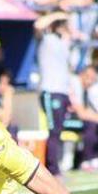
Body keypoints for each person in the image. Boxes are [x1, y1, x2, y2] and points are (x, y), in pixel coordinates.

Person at [34, 11, 74, 177]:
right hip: (50, 91)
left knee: (58, 129)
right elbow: (38, 25)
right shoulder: (46, 39)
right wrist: (57, 14)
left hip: (62, 91)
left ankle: (55, 166)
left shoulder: (64, 43)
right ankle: (52, 168)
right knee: (53, 130)